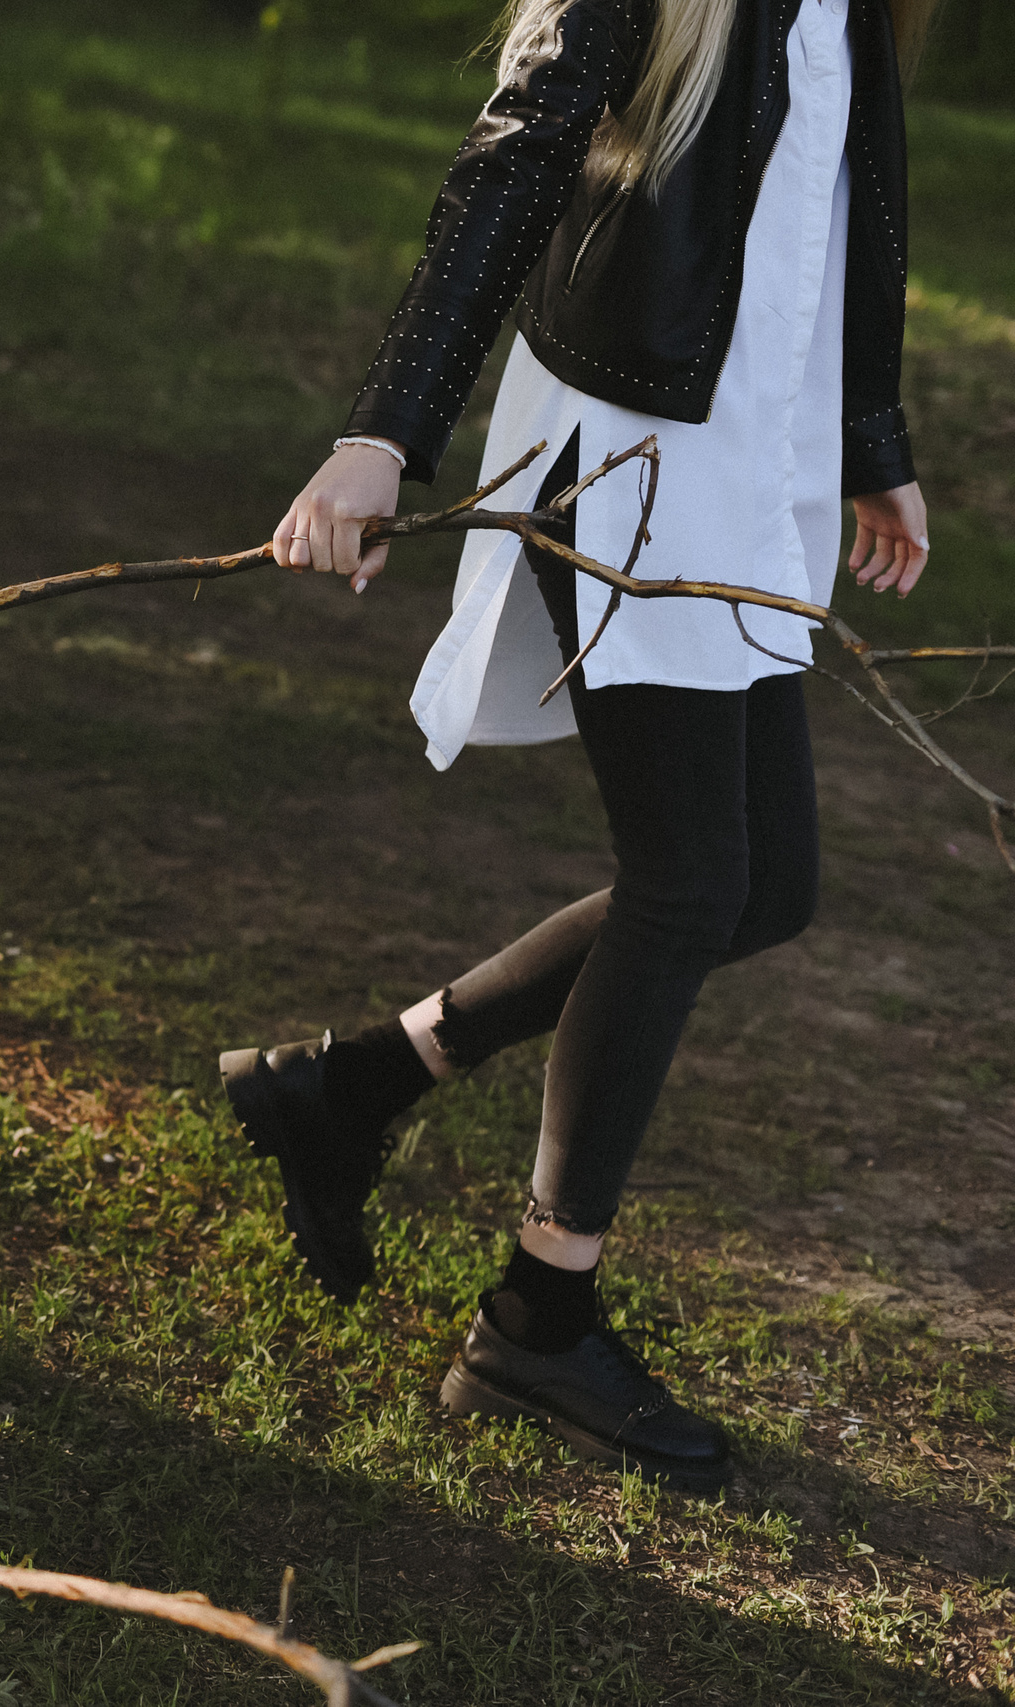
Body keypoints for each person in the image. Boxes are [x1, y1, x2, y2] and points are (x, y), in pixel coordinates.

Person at [218, 0, 937, 1496]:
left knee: (765, 887)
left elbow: (850, 201)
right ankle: (538, 1315)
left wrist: (872, 440)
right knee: (688, 882)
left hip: (763, 471)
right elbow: (516, 158)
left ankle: (352, 1086)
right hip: (632, 467)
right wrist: (387, 432)